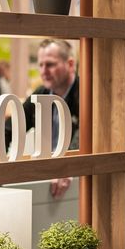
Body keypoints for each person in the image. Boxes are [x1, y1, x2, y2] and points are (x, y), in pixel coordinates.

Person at [21, 39, 79, 199]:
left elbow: (84, 136)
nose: (43, 71)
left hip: (75, 179)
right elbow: (11, 128)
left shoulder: (85, 93)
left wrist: (67, 167)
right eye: (40, 65)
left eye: (50, 64)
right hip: (46, 176)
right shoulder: (41, 92)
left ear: (70, 64)